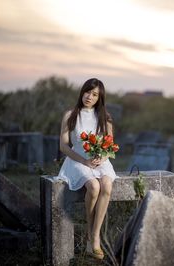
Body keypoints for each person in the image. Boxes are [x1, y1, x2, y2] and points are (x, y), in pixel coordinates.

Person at [57, 78, 117, 260]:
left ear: (100, 98)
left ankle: (94, 237)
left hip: (99, 161)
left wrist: (102, 157)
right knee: (94, 187)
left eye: (94, 94)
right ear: (82, 92)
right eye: (87, 92)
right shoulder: (70, 115)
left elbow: (110, 145)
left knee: (106, 184)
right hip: (77, 160)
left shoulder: (104, 117)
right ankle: (89, 234)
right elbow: (64, 147)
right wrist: (84, 161)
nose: (89, 96)